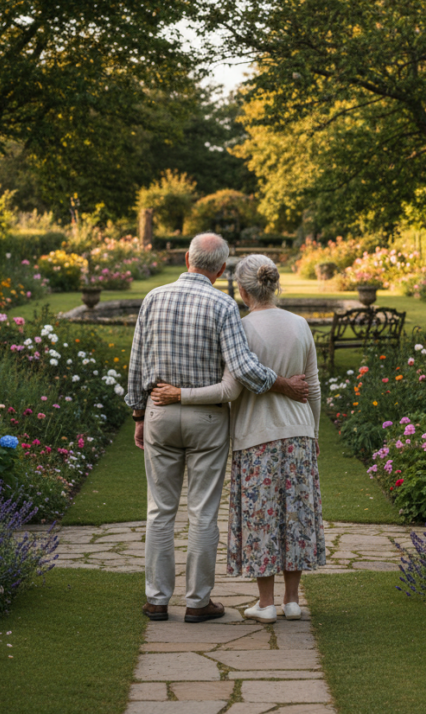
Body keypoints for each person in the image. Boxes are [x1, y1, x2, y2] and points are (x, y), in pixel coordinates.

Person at [126, 234, 309, 623]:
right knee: (203, 512)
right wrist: (286, 385)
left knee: (159, 510)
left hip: (159, 409)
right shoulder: (222, 304)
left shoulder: (153, 298)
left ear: (186, 258)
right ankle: (197, 603)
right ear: (221, 270)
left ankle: (157, 600)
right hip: (207, 417)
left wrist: (139, 414)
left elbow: (136, 361)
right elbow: (242, 369)